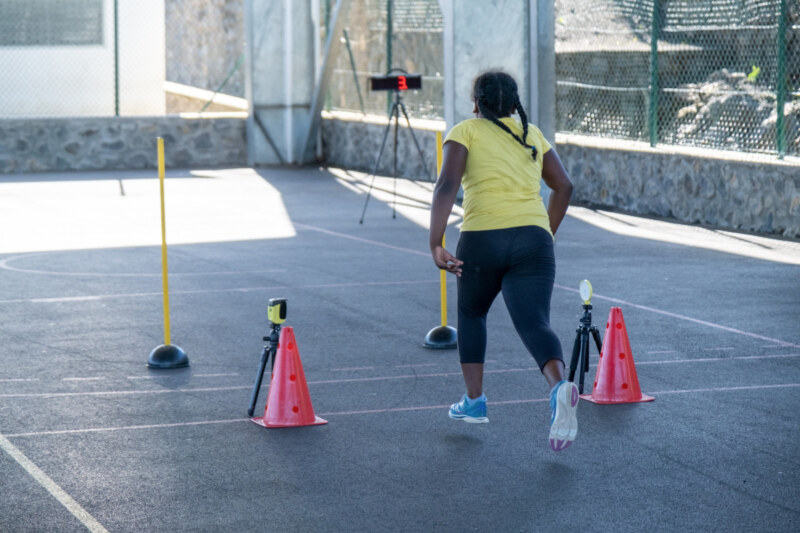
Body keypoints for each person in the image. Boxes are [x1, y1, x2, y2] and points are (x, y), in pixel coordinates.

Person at [429, 71, 578, 451]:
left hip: (482, 239)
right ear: (514, 104)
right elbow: (564, 186)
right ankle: (559, 386)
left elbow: (447, 185)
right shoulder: (532, 134)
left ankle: (475, 402)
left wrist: (436, 242)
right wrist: (544, 232)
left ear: (476, 103)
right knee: (534, 322)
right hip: (533, 238)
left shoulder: (466, 131)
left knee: (473, 313)